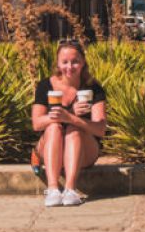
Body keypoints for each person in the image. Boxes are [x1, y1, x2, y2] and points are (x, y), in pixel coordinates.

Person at [31, 39, 107, 207]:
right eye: (64, 62)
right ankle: (52, 189)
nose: (70, 67)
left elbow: (100, 130)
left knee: (74, 129)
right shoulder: (46, 86)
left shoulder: (93, 88)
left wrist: (72, 118)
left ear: (83, 62)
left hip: (83, 150)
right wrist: (66, 114)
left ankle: (70, 190)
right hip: (52, 145)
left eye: (75, 62)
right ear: (58, 63)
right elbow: (36, 124)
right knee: (53, 127)